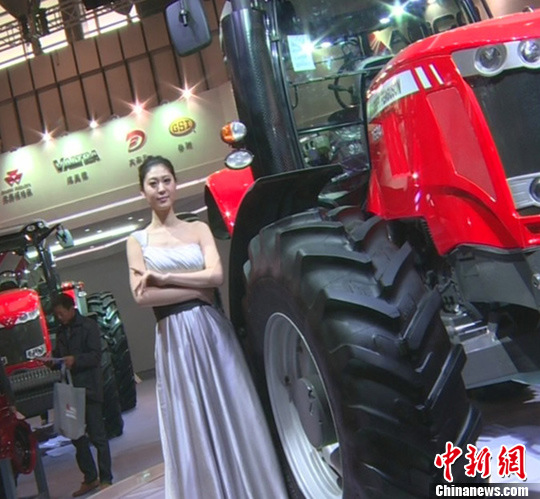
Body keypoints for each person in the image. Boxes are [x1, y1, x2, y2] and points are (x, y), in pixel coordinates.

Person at [126, 155, 287, 499]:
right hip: (173, 338)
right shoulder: (136, 241)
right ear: (143, 191)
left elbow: (216, 276)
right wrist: (196, 290)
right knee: (191, 420)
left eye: (166, 180)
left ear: (175, 182)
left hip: (211, 330)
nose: (161, 188)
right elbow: (143, 296)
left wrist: (166, 276)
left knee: (232, 405)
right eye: (153, 183)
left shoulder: (197, 228)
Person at [51, 293, 113, 497]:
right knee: (77, 438)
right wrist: (52, 361)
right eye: (56, 315)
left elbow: (96, 356)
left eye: (61, 314)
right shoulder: (61, 332)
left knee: (98, 436)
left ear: (71, 309)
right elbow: (57, 354)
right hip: (71, 393)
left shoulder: (88, 326)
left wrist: (75, 360)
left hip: (89, 389)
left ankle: (106, 478)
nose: (59, 318)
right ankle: (89, 477)